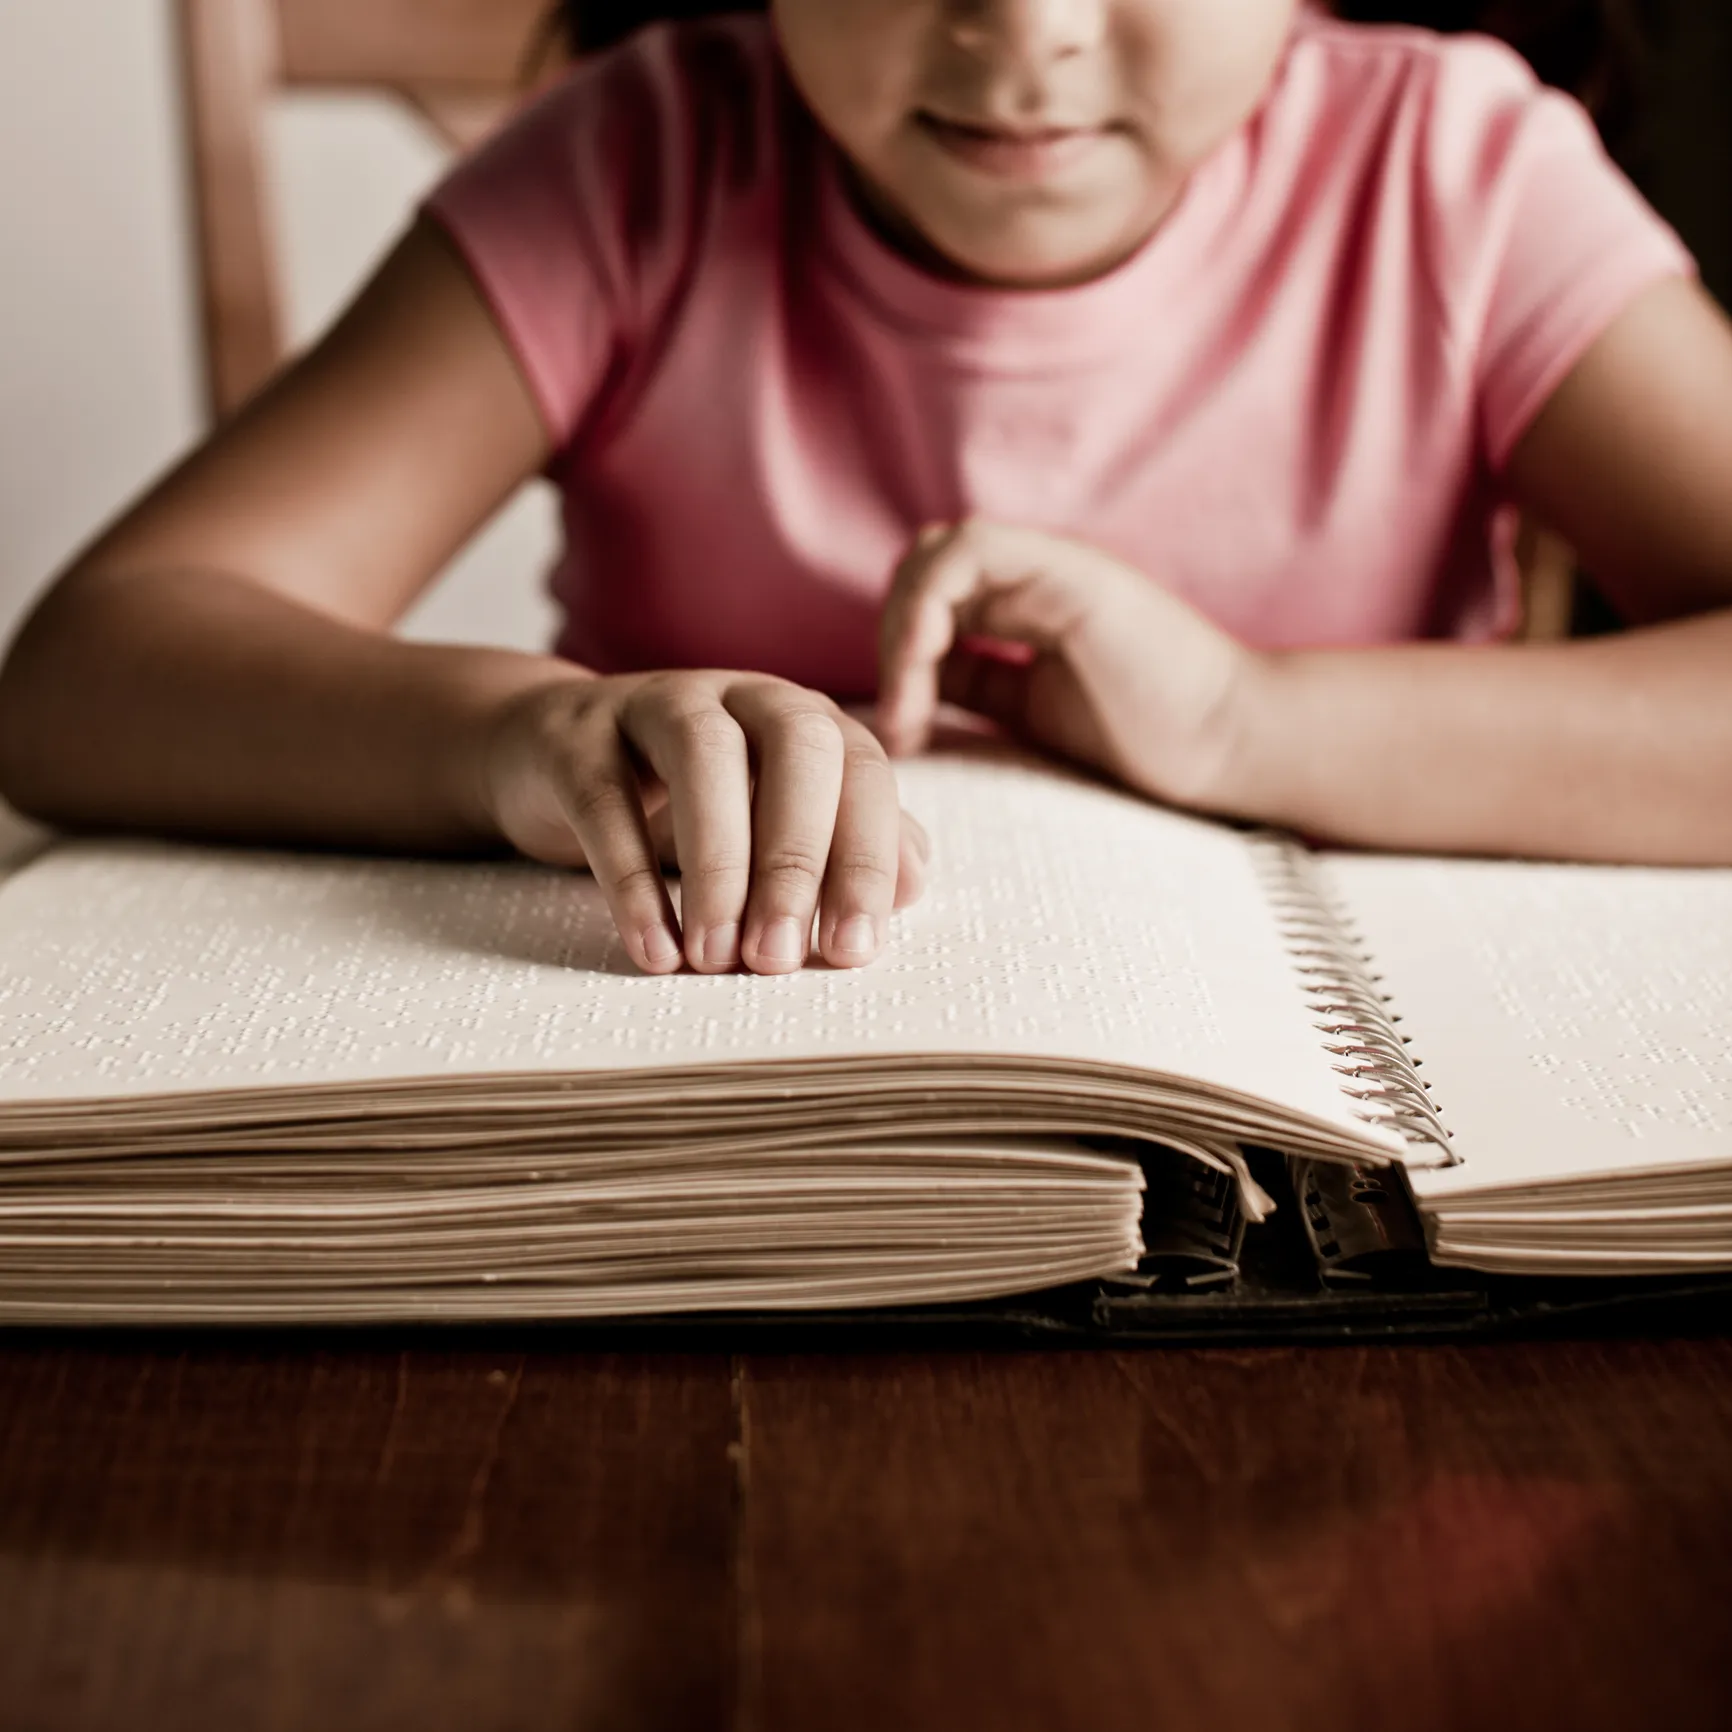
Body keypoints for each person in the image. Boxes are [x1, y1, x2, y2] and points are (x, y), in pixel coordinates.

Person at [1, 0, 1729, 982]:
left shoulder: (1458, 181)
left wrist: (1247, 718)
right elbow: (91, 672)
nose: (1024, 28)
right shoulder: (639, 169)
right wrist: (526, 738)